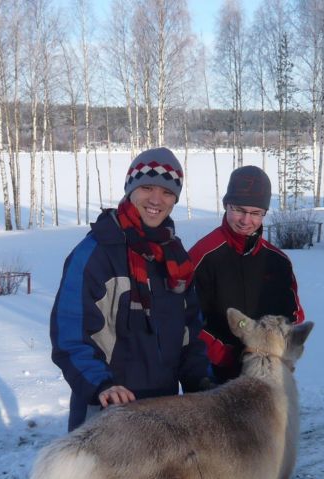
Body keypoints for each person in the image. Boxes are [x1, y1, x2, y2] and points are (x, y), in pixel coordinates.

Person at [50, 147, 212, 432]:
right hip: (107, 414)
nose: (156, 200)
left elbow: (190, 334)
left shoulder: (175, 258)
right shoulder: (96, 254)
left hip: (164, 413)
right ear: (130, 189)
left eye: (167, 192)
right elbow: (70, 336)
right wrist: (102, 384)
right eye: (147, 188)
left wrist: (203, 382)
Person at [188, 165, 305, 383]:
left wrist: (281, 353)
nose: (245, 220)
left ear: (264, 213)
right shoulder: (202, 255)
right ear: (226, 205)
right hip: (213, 375)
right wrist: (231, 356)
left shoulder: (278, 261)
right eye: (239, 210)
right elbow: (187, 322)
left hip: (268, 374)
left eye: (255, 213)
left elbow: (294, 317)